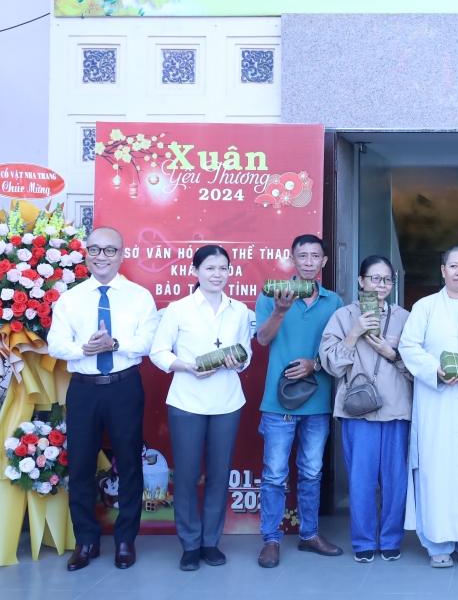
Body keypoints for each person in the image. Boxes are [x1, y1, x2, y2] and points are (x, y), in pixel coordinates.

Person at [48, 226, 160, 571]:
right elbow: (55, 344)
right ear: (86, 254)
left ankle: (126, 539)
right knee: (80, 465)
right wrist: (84, 349)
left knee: (129, 463)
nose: (101, 257)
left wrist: (115, 345)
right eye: (95, 250)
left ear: (121, 255)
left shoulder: (139, 296)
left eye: (109, 250)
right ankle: (87, 541)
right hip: (83, 388)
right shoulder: (70, 298)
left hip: (124, 387)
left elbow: (148, 341)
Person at [149, 245, 253, 571]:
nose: (217, 274)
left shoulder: (240, 311)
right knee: (187, 476)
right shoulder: (177, 309)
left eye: (223, 268)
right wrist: (187, 367)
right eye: (210, 268)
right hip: (186, 401)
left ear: (230, 272)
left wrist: (238, 362)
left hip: (227, 402)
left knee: (219, 475)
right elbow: (158, 352)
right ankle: (189, 544)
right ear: (195, 271)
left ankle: (211, 542)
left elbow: (245, 353)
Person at [398, 245, 458, 568]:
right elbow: (408, 346)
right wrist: (434, 370)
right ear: (443, 270)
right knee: (436, 468)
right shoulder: (423, 307)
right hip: (434, 401)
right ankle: (436, 540)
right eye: (454, 266)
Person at [254, 234, 344, 568]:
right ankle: (271, 540)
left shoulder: (334, 302)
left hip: (317, 401)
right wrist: (280, 310)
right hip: (278, 405)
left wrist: (315, 364)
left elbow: (340, 349)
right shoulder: (272, 293)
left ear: (324, 262)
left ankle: (309, 534)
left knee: (311, 472)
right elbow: (262, 340)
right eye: (302, 256)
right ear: (292, 259)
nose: (308, 262)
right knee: (275, 475)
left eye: (314, 257)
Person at [321, 255, 412, 563]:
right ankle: (362, 542)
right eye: (374, 278)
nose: (381, 285)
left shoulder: (405, 317)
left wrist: (392, 353)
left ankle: (390, 539)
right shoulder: (343, 316)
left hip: (396, 409)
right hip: (357, 410)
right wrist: (354, 332)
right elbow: (331, 364)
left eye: (387, 280)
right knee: (360, 479)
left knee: (395, 479)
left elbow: (418, 370)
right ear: (360, 282)